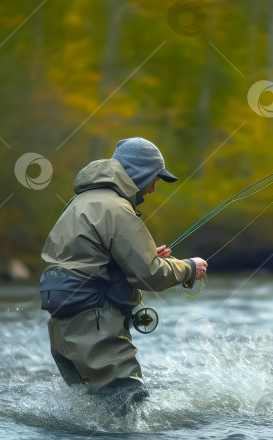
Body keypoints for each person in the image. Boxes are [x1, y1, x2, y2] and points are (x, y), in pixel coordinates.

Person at [39, 137, 207, 410]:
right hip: (95, 326)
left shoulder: (79, 202)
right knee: (129, 407)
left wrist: (142, 258)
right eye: (155, 178)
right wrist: (189, 268)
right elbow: (149, 275)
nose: (154, 188)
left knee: (90, 413)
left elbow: (84, 261)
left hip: (64, 331)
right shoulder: (117, 208)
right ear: (140, 173)